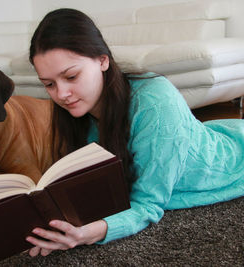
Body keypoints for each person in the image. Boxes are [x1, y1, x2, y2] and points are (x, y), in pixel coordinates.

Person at [25, 8, 244, 257]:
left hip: (233, 160)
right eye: (49, 85)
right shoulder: (72, 112)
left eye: (71, 76)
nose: (61, 94)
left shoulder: (155, 103)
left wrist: (87, 233)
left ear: (102, 60)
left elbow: (148, 204)